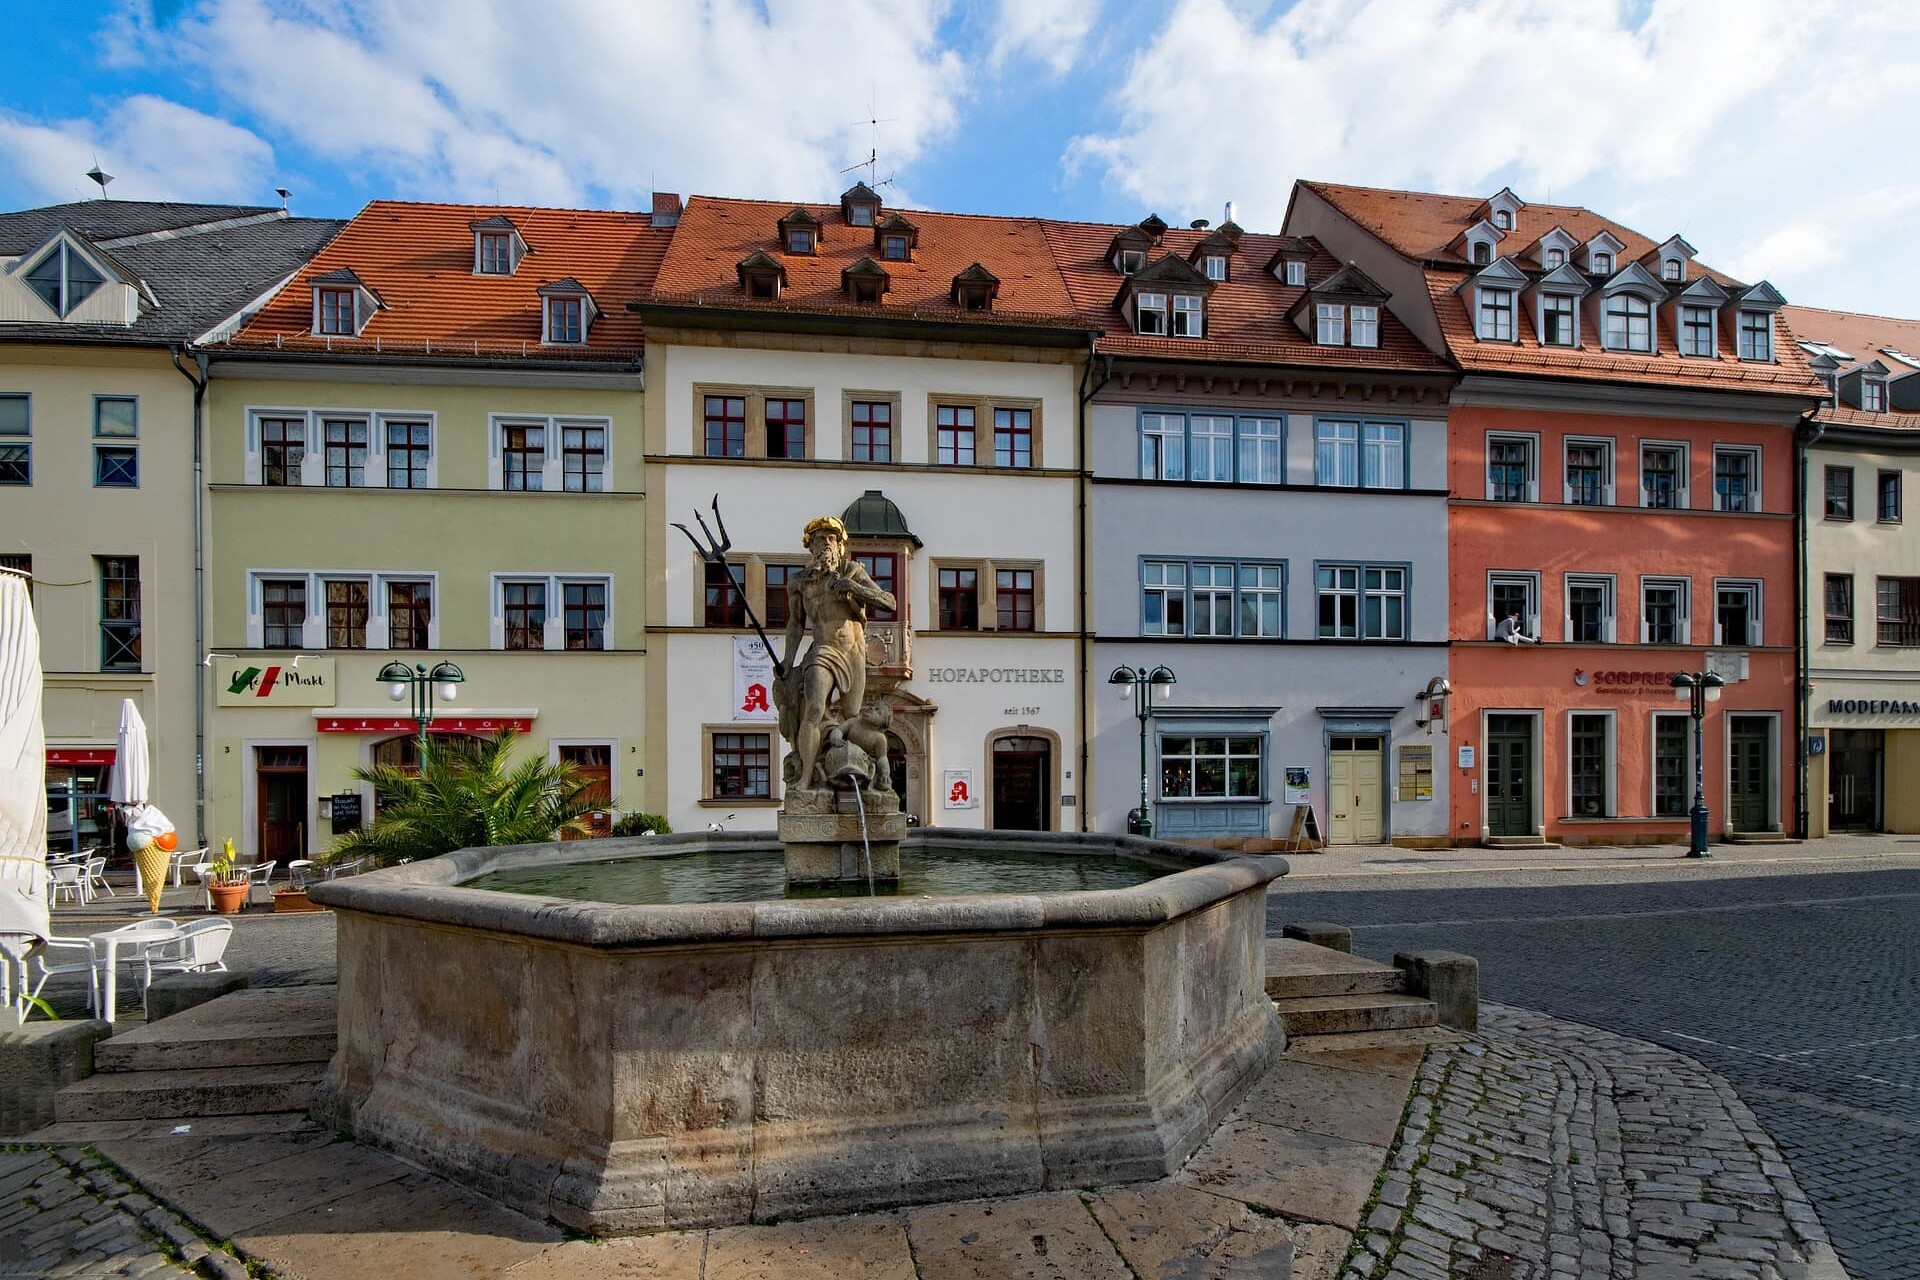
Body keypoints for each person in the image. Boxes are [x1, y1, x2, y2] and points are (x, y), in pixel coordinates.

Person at [775, 516, 896, 790]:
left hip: (853, 652)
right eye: (820, 539)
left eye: (832, 539)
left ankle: (859, 780)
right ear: (811, 547)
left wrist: (854, 588)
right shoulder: (798, 582)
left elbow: (889, 602)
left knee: (854, 715)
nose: (826, 544)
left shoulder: (852, 571)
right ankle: (806, 776)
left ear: (840, 546)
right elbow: (795, 624)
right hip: (822, 650)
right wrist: (788, 661)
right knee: (814, 708)